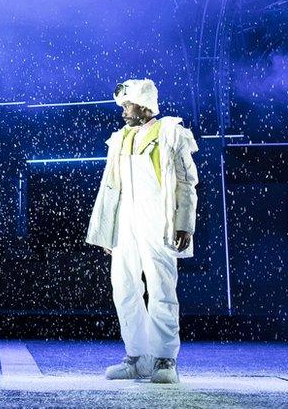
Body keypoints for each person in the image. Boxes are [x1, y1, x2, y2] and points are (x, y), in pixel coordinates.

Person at [86, 79, 199, 384]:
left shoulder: (169, 133)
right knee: (124, 289)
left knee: (161, 289)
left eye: (128, 104)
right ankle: (138, 358)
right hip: (126, 222)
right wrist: (108, 231)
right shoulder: (120, 139)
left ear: (145, 105)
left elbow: (186, 182)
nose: (123, 110)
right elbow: (110, 188)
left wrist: (183, 223)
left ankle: (165, 360)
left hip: (157, 220)